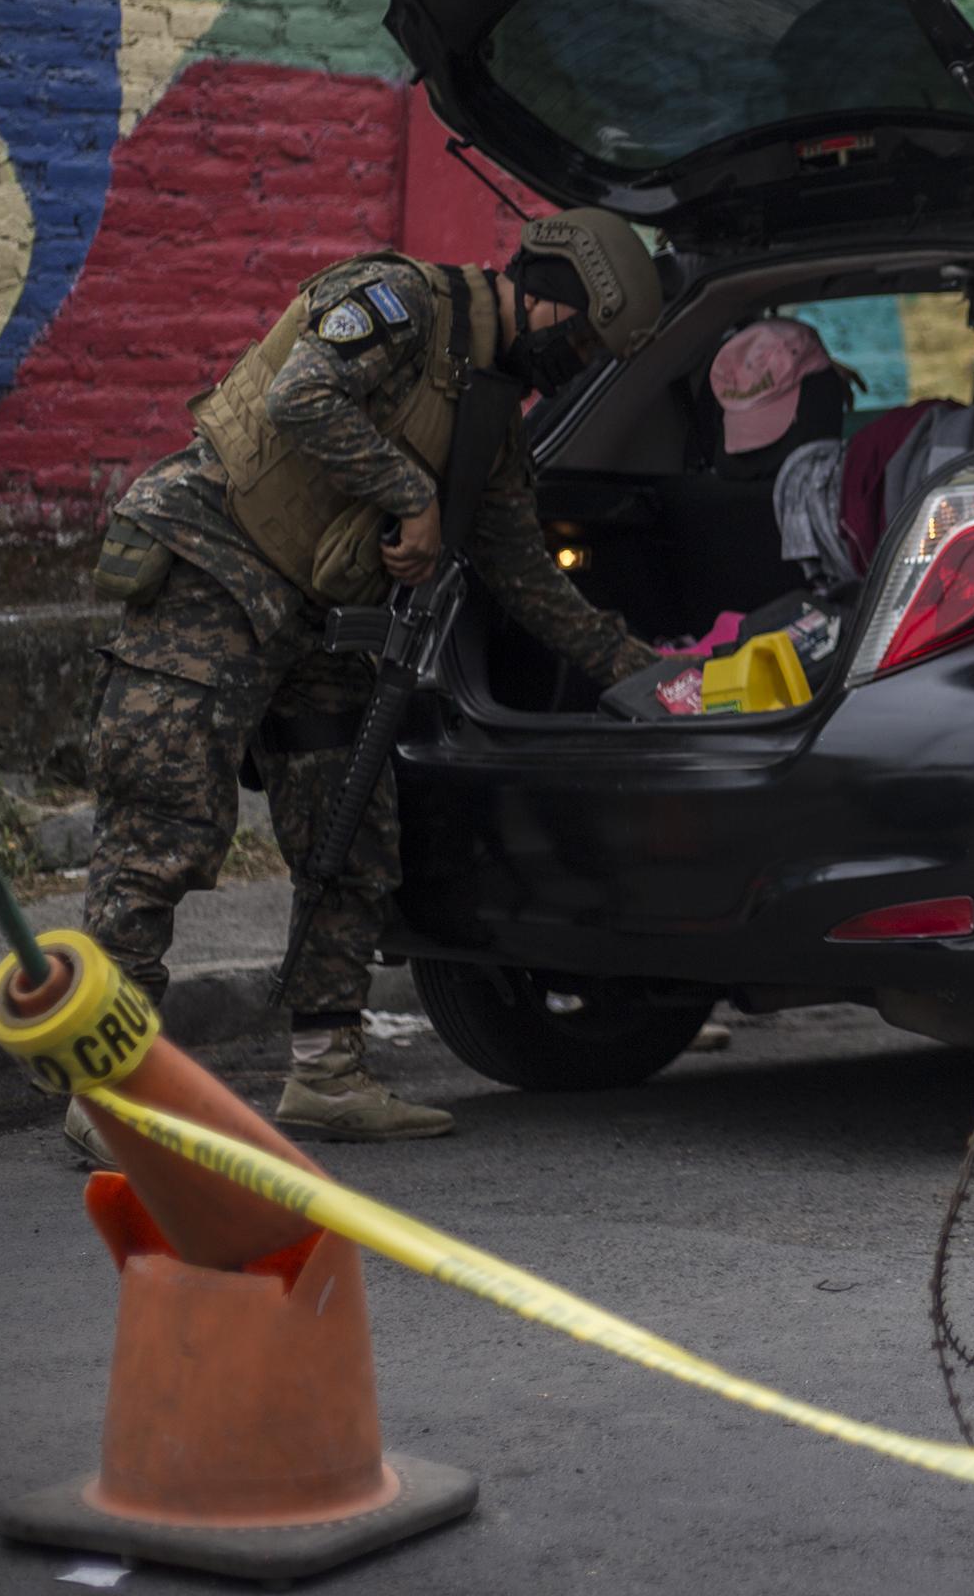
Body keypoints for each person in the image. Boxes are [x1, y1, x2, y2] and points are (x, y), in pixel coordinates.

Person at [71, 211, 667, 1160]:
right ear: (554, 289)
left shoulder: (490, 414)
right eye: (586, 334)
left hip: (317, 619)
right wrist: (412, 493)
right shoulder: (400, 307)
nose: (579, 357)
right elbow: (301, 397)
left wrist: (647, 674)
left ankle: (326, 1074)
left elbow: (521, 573)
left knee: (349, 829)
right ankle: (112, 1088)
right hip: (211, 572)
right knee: (163, 830)